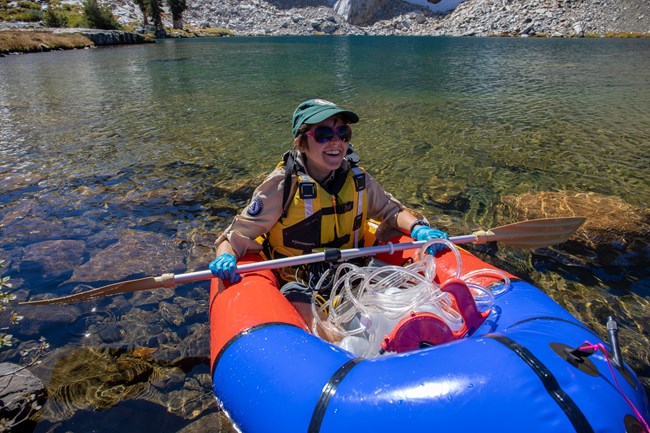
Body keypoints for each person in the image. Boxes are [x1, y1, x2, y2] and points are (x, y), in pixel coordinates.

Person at [209, 98, 448, 328]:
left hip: (352, 271)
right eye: (323, 135)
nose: (336, 142)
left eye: (342, 133)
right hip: (299, 283)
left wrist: (418, 228)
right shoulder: (282, 185)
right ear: (302, 141)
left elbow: (392, 210)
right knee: (326, 331)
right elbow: (234, 236)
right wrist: (225, 256)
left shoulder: (358, 179)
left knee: (405, 307)